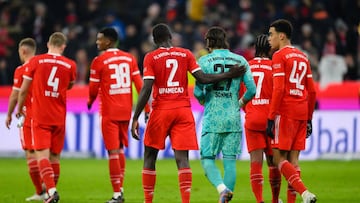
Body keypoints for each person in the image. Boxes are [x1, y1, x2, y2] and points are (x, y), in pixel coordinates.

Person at [130, 23, 245, 203]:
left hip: (161, 110)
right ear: (170, 37)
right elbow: (203, 79)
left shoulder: (151, 57)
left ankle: (148, 201)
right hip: (183, 111)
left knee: (150, 156)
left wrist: (135, 117)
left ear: (154, 40)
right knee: (182, 159)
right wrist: (228, 74)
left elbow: (146, 88)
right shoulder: (186, 54)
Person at [193, 26, 256, 203]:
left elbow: (198, 92)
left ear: (209, 42)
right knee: (229, 162)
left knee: (207, 160)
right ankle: (226, 199)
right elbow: (252, 89)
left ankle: (222, 189)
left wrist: (205, 100)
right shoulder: (241, 61)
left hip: (213, 117)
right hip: (233, 117)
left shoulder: (204, 61)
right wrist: (239, 103)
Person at [87, 27, 150, 203]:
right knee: (120, 149)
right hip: (125, 111)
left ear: (108, 41)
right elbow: (140, 85)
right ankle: (120, 189)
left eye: (100, 39)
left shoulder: (99, 61)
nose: (97, 42)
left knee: (112, 151)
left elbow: (93, 89)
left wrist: (90, 101)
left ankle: (117, 194)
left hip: (109, 112)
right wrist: (146, 108)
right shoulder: (129, 58)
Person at [16, 32, 77, 203]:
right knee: (55, 157)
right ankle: (50, 193)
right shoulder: (70, 65)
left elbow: (24, 89)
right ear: (63, 47)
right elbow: (70, 85)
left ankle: (50, 191)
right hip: (59, 116)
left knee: (41, 156)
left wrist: (20, 109)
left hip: (40, 116)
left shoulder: (36, 61)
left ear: (48, 44)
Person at [266, 19, 317, 203]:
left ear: (281, 35)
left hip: (285, 111)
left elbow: (278, 90)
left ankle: (305, 193)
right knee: (294, 161)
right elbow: (312, 91)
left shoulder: (279, 56)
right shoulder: (303, 56)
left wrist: (271, 117)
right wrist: (309, 118)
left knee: (278, 159)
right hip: (302, 112)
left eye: (271, 34)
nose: (268, 38)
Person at [5, 38, 45, 201]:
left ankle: (40, 192)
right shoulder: (44, 67)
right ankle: (49, 188)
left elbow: (16, 94)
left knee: (30, 153)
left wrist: (9, 114)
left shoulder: (21, 70)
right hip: (46, 114)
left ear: (23, 51)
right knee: (45, 153)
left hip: (29, 116)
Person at [243, 34, 282, 203]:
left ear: (255, 49)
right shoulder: (275, 66)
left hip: (252, 118)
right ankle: (275, 200)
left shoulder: (246, 67)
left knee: (255, 163)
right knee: (273, 163)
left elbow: (241, 96)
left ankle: (259, 201)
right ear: (270, 49)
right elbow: (279, 93)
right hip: (270, 119)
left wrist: (250, 109)